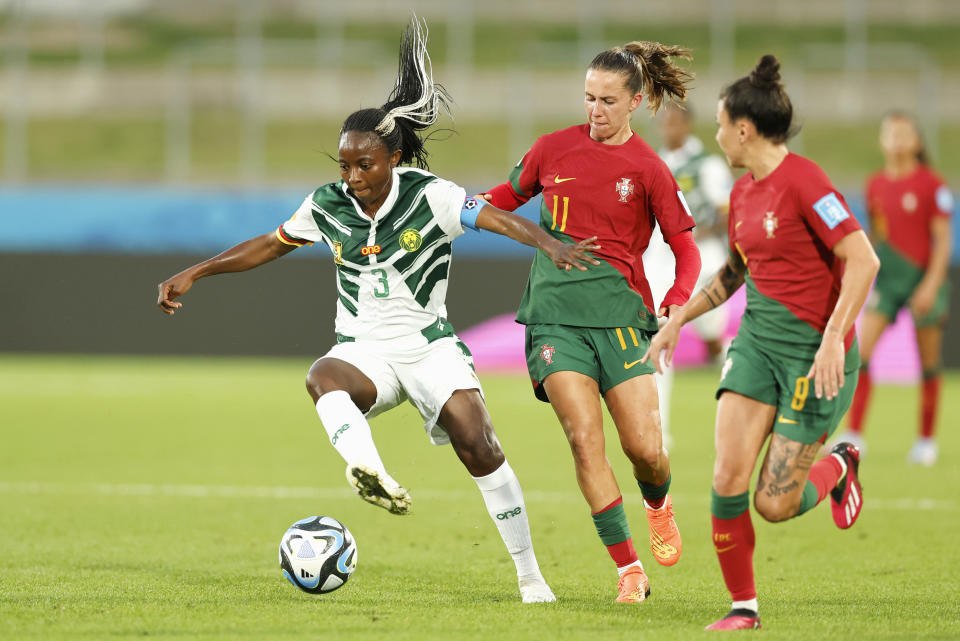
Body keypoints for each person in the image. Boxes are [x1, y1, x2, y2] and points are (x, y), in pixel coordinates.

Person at [156, 18, 599, 604]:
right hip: (364, 350)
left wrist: (549, 242)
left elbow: (494, 219)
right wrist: (198, 270)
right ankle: (371, 472)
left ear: (391, 156)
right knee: (322, 376)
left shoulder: (430, 194)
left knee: (478, 443)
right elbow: (269, 244)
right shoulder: (327, 204)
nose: (352, 176)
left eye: (363, 165)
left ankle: (529, 576)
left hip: (430, 348)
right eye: (344, 166)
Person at [643, 55, 880, 630]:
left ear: (744, 129)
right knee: (726, 478)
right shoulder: (744, 195)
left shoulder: (807, 183)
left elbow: (862, 260)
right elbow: (734, 273)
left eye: (723, 124)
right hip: (754, 349)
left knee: (773, 504)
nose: (717, 134)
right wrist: (678, 319)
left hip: (812, 359)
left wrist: (831, 342)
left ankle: (840, 466)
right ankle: (743, 607)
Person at [480, 41, 701, 604]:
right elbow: (502, 199)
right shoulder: (552, 150)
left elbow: (686, 248)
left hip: (623, 320)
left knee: (646, 450)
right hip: (555, 321)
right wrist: (449, 205)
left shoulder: (649, 169)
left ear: (636, 102)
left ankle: (658, 503)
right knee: (583, 440)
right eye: (588, 98)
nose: (595, 110)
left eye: (607, 100)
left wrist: (677, 298)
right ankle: (628, 569)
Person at [833, 111, 954, 465]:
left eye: (905, 133)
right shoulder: (875, 185)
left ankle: (926, 441)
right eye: (891, 133)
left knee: (929, 363)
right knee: (861, 353)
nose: (898, 139)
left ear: (917, 141)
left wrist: (930, 286)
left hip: (923, 279)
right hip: (889, 279)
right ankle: (854, 434)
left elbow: (943, 242)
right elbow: (876, 235)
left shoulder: (933, 185)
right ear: (882, 141)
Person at [643, 102, 734, 444]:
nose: (667, 129)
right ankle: (659, 431)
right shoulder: (655, 162)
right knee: (660, 336)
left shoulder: (706, 166)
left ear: (687, 125)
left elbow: (726, 211)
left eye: (673, 122)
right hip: (660, 265)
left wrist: (692, 236)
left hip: (702, 262)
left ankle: (723, 355)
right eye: (663, 122)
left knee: (711, 338)